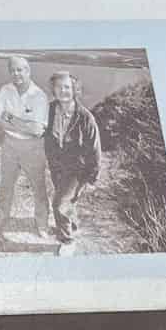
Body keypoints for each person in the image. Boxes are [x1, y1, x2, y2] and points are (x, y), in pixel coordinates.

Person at [0, 55, 51, 237]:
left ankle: (42, 223)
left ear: (28, 71)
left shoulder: (39, 96)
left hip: (32, 148)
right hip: (10, 144)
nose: (16, 74)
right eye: (13, 70)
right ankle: (2, 215)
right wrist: (23, 124)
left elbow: (37, 130)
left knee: (38, 187)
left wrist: (10, 118)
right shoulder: (5, 90)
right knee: (6, 184)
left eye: (20, 70)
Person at [43, 71, 102, 246]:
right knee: (68, 199)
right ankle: (73, 223)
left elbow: (95, 148)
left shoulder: (85, 117)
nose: (63, 91)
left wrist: (93, 176)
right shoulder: (49, 110)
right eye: (59, 87)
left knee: (60, 204)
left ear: (75, 89)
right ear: (53, 90)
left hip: (78, 168)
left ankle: (66, 240)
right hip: (57, 165)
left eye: (67, 87)